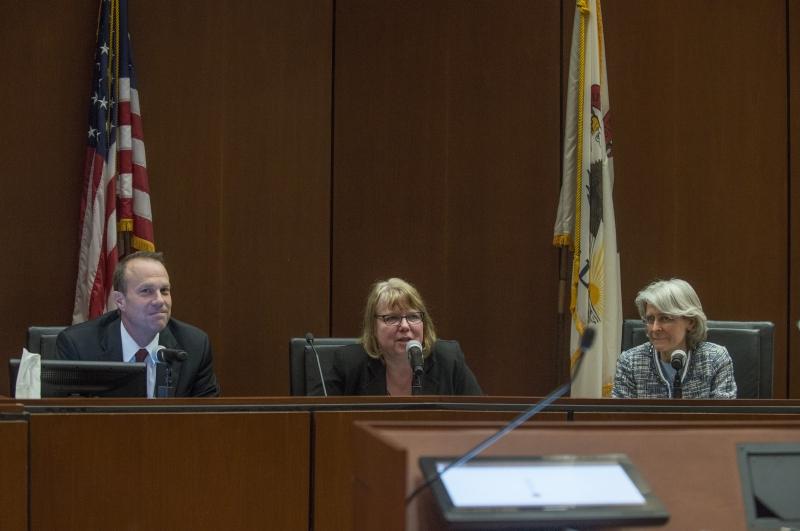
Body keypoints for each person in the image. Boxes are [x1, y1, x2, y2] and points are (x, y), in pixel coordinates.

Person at [57, 251, 220, 397]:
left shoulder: (194, 345)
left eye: (164, 291)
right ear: (120, 301)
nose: (159, 300)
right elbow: (65, 419)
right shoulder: (79, 346)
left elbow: (208, 418)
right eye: (146, 291)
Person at [320, 278, 482, 396]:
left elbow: (482, 420)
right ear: (373, 327)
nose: (405, 326)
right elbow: (318, 422)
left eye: (413, 317)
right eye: (392, 318)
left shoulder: (449, 360)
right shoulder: (348, 364)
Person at [611, 278, 736, 399]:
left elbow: (723, 418)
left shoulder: (714, 359)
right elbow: (620, 418)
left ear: (691, 322)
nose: (654, 328)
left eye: (665, 318)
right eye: (650, 319)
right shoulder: (630, 362)